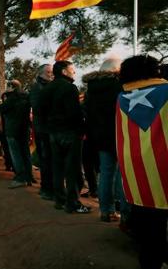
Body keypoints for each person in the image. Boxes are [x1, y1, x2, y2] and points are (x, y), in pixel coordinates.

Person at [116, 54, 168, 269]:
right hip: (164, 167)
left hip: (137, 171)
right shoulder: (166, 91)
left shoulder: (121, 98)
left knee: (148, 229)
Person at [83, 57, 128, 223]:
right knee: (123, 176)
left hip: (100, 138)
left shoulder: (91, 90)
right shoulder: (119, 86)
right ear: (116, 70)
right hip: (119, 135)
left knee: (106, 173)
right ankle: (125, 214)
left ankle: (105, 211)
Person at [40, 61, 89, 214]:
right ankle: (72, 203)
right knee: (72, 170)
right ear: (64, 71)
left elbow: (41, 111)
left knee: (58, 168)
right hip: (70, 133)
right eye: (72, 69)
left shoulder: (47, 88)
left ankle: (59, 200)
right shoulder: (69, 88)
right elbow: (74, 113)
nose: (74, 72)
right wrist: (81, 129)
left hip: (53, 133)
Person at [0, 80, 33, 189]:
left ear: (11, 87)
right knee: (26, 154)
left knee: (16, 155)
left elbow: (1, 109)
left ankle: (20, 178)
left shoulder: (11, 98)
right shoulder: (27, 97)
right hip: (24, 129)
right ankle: (29, 176)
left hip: (12, 131)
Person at [29, 64, 55, 200]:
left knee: (48, 159)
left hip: (46, 128)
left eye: (52, 72)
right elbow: (38, 108)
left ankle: (48, 188)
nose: (51, 74)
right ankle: (46, 189)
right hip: (43, 129)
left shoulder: (46, 86)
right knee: (46, 159)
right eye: (48, 72)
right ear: (40, 74)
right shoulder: (37, 88)